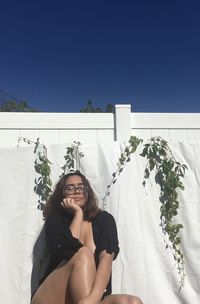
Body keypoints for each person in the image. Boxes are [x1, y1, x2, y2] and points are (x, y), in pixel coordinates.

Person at [31, 170, 143, 304]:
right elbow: (67, 250)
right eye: (70, 188)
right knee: (83, 253)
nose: (77, 191)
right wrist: (77, 214)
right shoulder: (55, 220)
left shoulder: (104, 219)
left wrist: (93, 298)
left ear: (87, 192)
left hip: (89, 299)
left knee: (132, 302)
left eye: (81, 187)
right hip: (53, 296)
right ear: (62, 194)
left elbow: (106, 259)